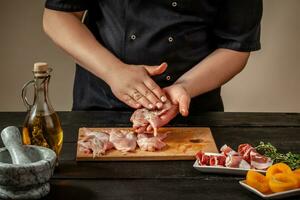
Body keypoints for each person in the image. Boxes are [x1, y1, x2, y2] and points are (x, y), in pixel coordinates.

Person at [43, 0, 262, 127]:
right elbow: (58, 16)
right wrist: (114, 71)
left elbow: (235, 45)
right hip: (102, 105)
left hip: (193, 111)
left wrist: (185, 87)